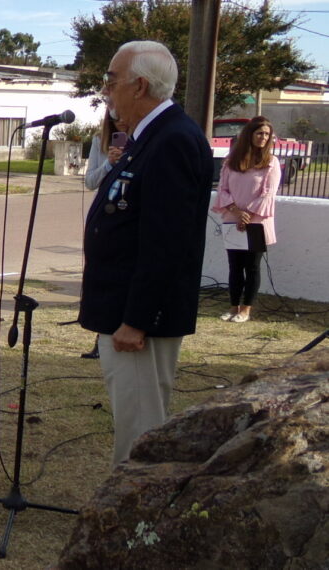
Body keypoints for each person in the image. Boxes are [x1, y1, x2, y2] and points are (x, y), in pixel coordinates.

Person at [80, 40, 213, 465]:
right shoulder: (149, 135)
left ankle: (133, 518)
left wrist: (136, 320)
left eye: (112, 80)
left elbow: (167, 243)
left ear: (139, 86)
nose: (105, 89)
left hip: (139, 321)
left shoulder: (172, 139)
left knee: (141, 424)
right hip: (125, 310)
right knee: (134, 416)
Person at [213, 116, 279, 324]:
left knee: (252, 267)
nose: (263, 137)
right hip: (233, 220)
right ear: (249, 134)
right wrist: (236, 211)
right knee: (235, 266)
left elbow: (268, 194)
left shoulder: (271, 162)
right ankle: (233, 306)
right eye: (259, 133)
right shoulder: (231, 161)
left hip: (256, 222)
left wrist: (247, 215)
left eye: (266, 134)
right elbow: (222, 189)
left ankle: (246, 309)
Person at [81, 110, 130, 359]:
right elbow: (89, 181)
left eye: (121, 118)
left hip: (129, 215)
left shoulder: (144, 140)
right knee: (101, 274)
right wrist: (108, 164)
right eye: (115, 119)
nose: (120, 122)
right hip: (105, 215)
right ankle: (100, 338)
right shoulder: (100, 141)